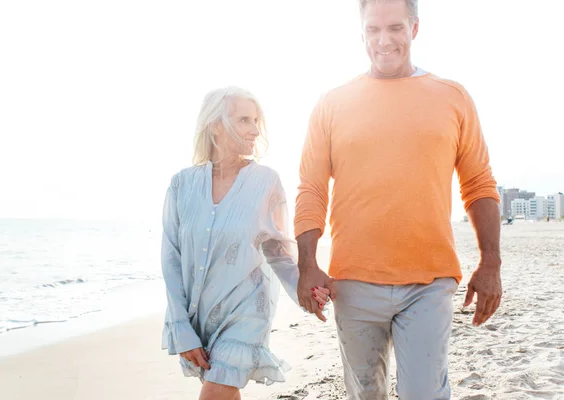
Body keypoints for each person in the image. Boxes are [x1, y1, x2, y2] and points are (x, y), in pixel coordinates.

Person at [293, 1, 502, 399]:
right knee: (365, 394)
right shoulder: (332, 103)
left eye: (394, 28)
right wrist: (307, 265)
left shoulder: (452, 97)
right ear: (361, 34)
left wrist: (490, 262)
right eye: (373, 30)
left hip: (429, 280)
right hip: (354, 281)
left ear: (415, 28)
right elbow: (312, 188)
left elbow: (477, 182)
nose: (383, 40)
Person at [161, 86, 330, 400]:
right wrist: (180, 326)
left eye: (255, 121)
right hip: (200, 313)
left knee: (214, 393)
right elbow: (171, 258)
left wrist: (305, 292)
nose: (254, 130)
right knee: (222, 390)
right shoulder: (181, 184)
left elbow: (278, 252)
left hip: (247, 311)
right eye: (244, 120)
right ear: (215, 125)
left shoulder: (265, 181)